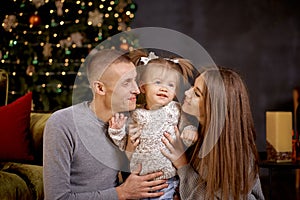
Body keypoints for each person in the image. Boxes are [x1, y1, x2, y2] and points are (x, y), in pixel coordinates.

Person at [43, 49, 169, 200]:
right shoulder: (62, 124)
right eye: (126, 83)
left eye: (134, 80)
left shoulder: (132, 121)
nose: (136, 90)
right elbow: (56, 198)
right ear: (100, 88)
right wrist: (121, 193)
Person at [161, 67, 265, 200]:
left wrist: (182, 165)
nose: (187, 93)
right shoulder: (189, 132)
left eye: (197, 94)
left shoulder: (236, 154)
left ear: (215, 107)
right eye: (193, 86)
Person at [108, 51, 198, 200]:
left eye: (170, 85)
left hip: (166, 181)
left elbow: (186, 127)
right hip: (139, 181)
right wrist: (117, 131)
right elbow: (124, 145)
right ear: (143, 87)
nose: (164, 88)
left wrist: (190, 131)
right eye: (157, 82)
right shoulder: (135, 114)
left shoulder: (175, 110)